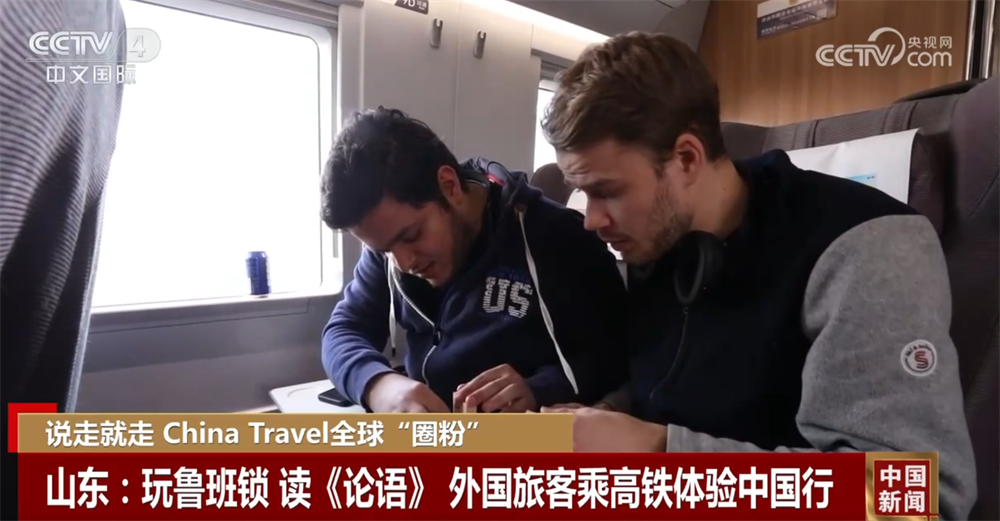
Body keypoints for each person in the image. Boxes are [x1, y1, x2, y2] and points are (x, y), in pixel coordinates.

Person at [538, 32, 977, 521]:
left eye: (606, 191)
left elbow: (918, 498)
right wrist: (603, 418)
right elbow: (665, 389)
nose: (591, 220)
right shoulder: (661, 243)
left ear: (686, 159)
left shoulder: (865, 246)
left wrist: (660, 453)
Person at [319, 107, 627, 414]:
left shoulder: (561, 239)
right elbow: (344, 330)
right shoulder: (392, 240)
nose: (403, 263)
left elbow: (617, 359)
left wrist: (538, 389)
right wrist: (378, 385)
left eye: (412, 235)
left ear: (449, 186)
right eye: (384, 250)